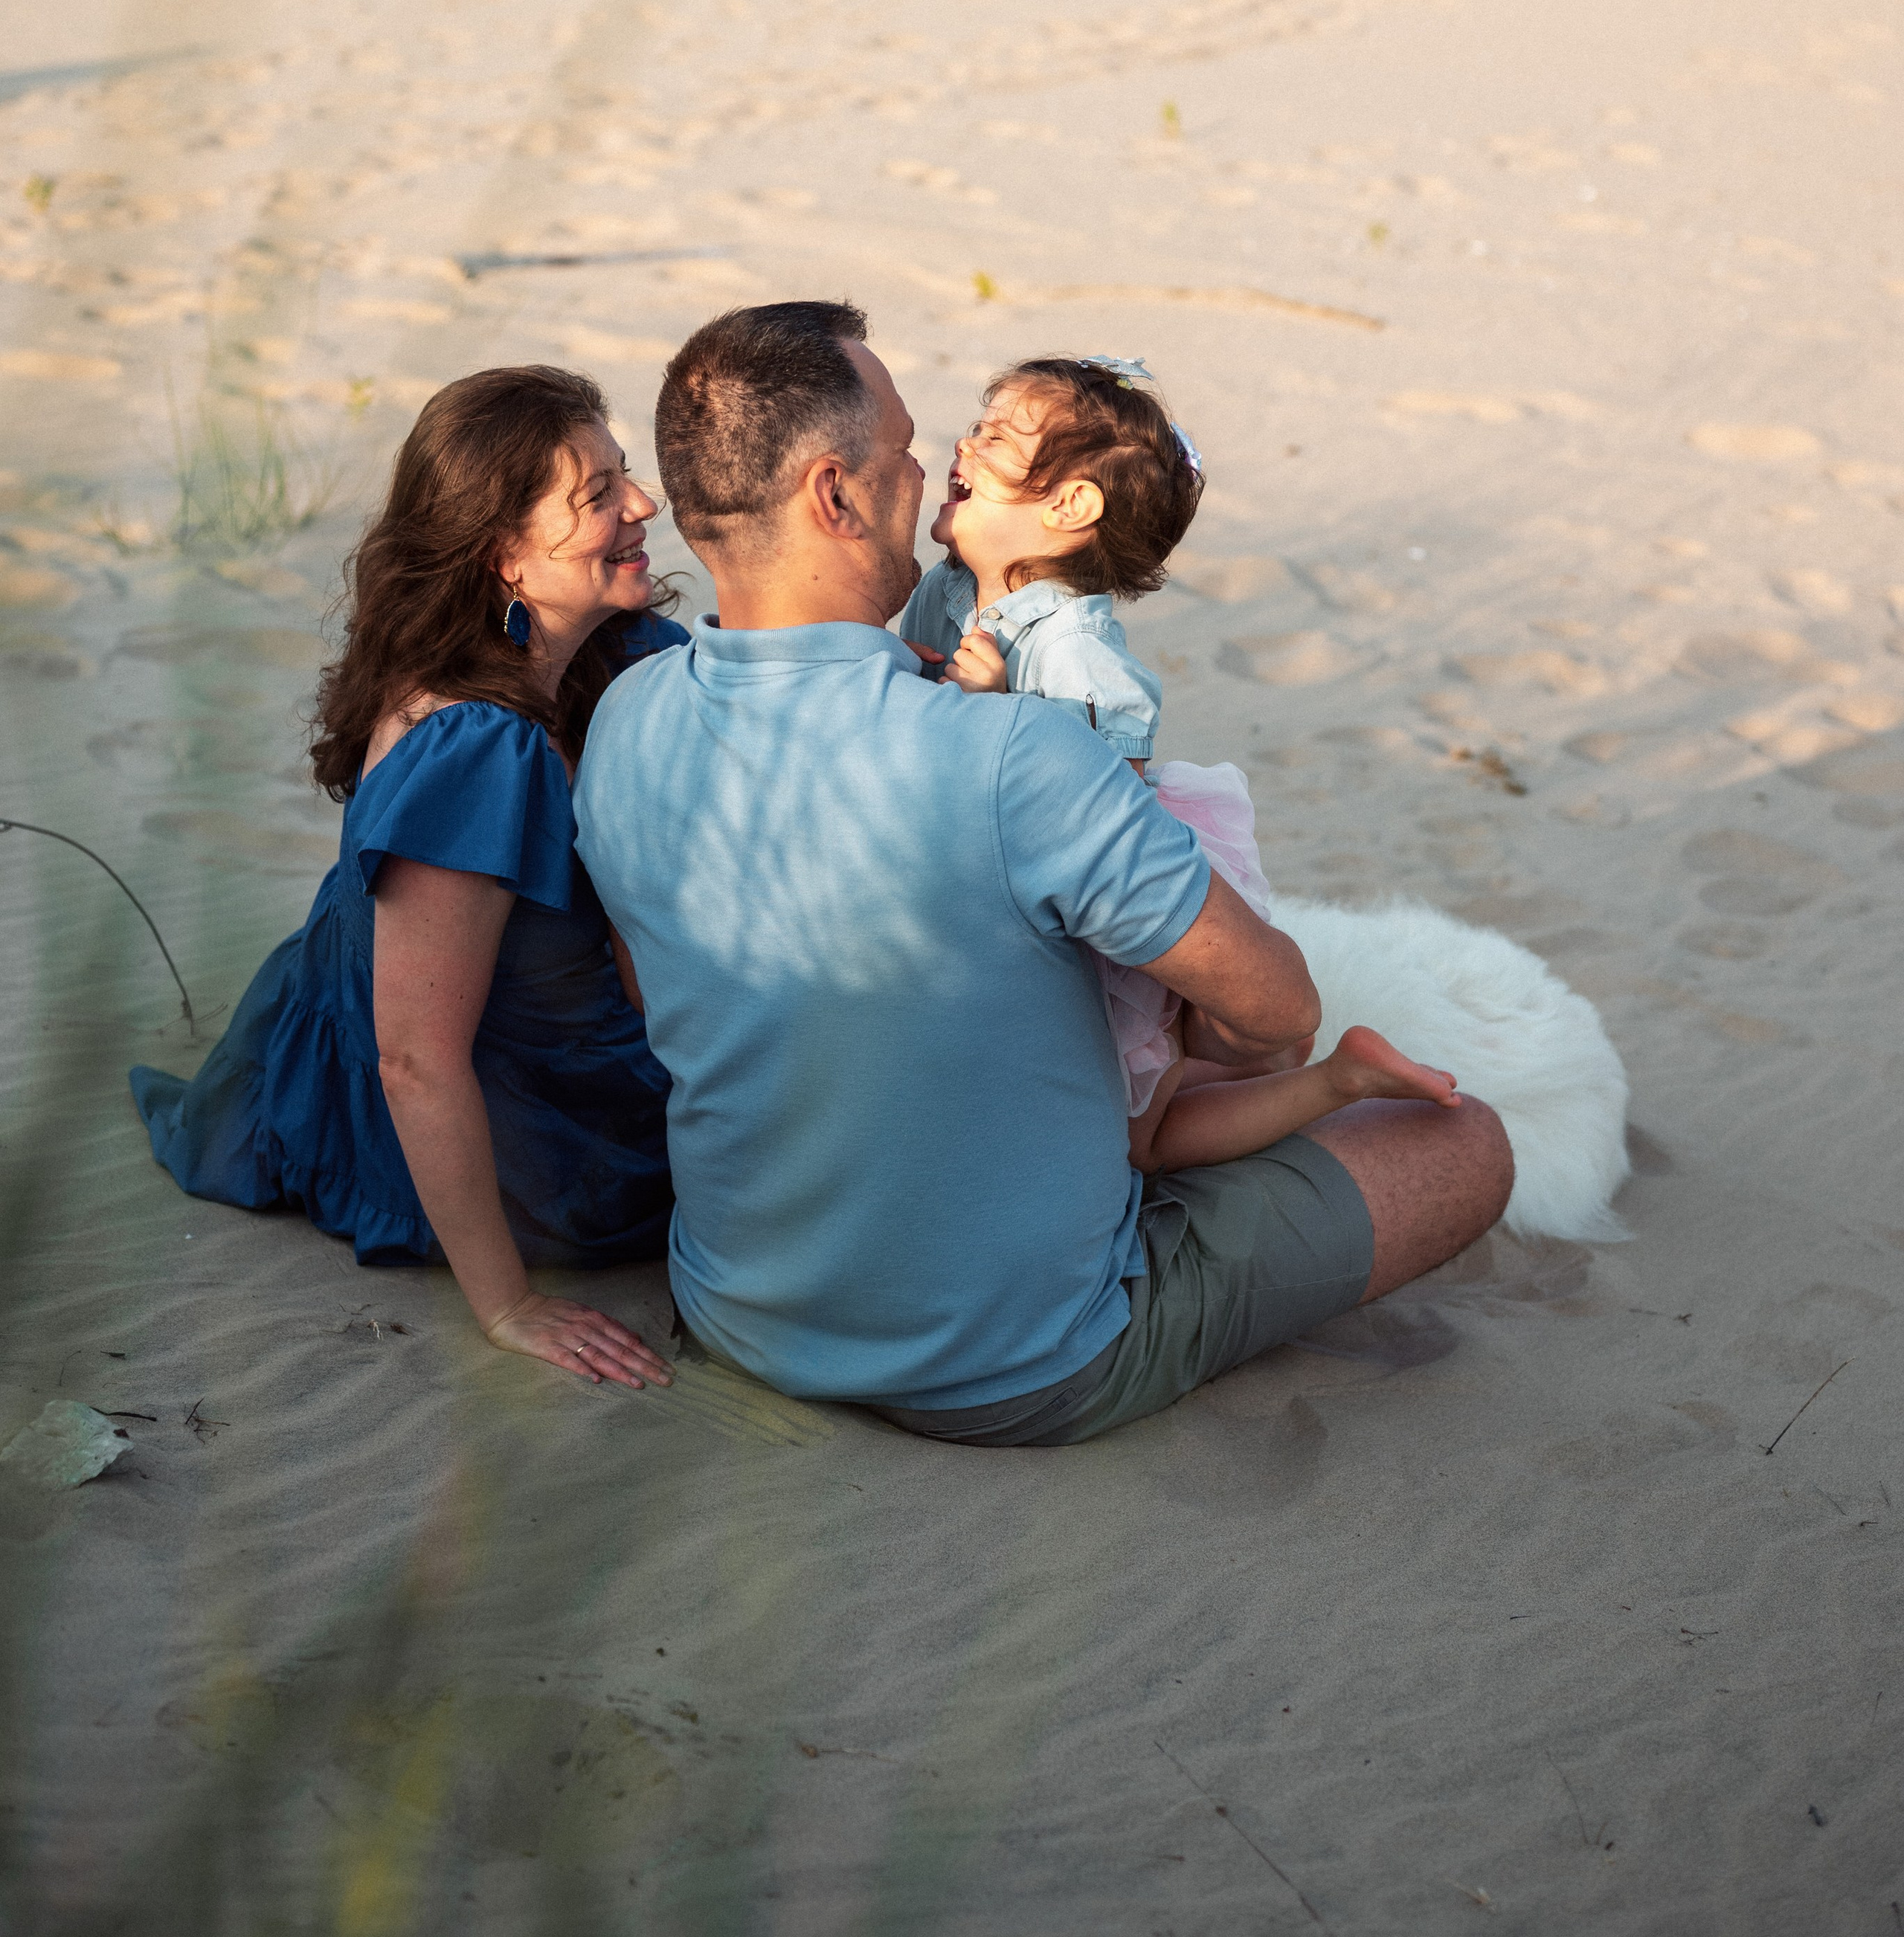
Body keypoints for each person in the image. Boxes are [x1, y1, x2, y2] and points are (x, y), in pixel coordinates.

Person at [574, 303, 1511, 1448]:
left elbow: (651, 991)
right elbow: (1279, 1007)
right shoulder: (1015, 751)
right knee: (1467, 1145)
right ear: (834, 494)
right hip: (1014, 1359)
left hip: (743, 1307)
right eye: (909, 450)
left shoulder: (622, 720)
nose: (934, 472)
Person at [131, 367, 679, 1389]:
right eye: (596, 496)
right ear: (504, 555)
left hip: (529, 1054)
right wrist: (509, 1303)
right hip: (500, 1135)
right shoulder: (474, 747)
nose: (641, 505)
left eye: (626, 476)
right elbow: (415, 1060)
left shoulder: (606, 656)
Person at [900, 352, 1461, 1177]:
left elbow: (1104, 810)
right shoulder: (947, 588)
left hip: (1115, 924)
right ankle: (1235, 1053)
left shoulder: (1080, 654)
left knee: (1140, 1144)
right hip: (1006, 892)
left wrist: (991, 709)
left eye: (991, 437)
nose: (963, 445)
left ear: (1070, 504)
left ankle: (1340, 1078)